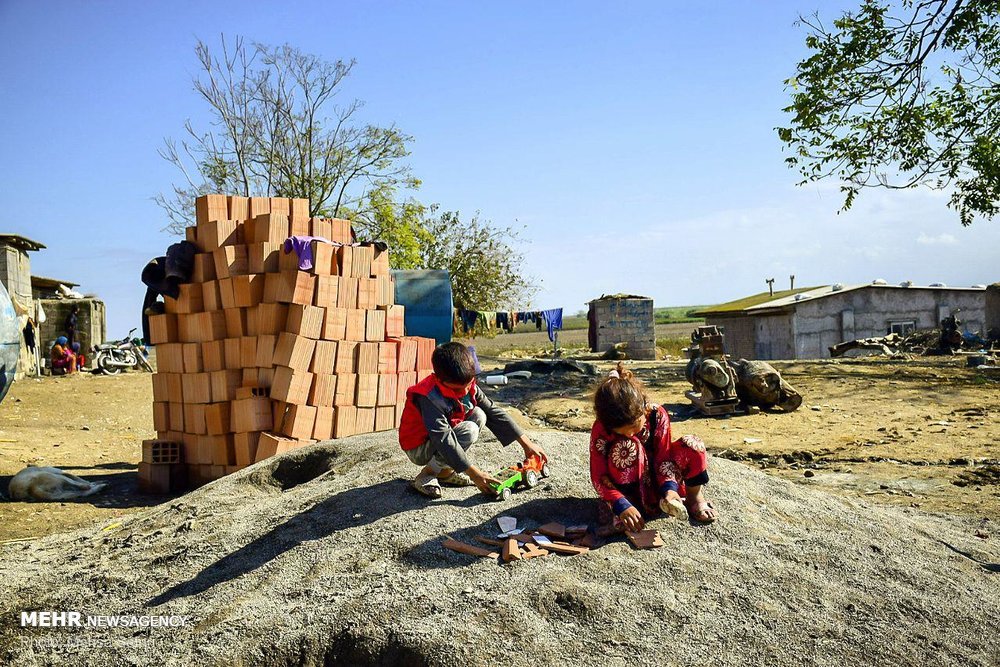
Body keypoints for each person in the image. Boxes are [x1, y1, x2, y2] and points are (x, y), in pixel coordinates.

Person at [399, 342, 547, 498]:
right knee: (469, 430)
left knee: (480, 414)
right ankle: (427, 474)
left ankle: (443, 472)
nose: (463, 392)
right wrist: (474, 474)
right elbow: (443, 439)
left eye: (468, 385)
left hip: (439, 437)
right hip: (419, 447)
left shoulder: (469, 385)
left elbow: (493, 411)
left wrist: (527, 444)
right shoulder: (429, 396)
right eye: (456, 389)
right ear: (438, 379)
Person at [590, 363, 718, 530]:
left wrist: (670, 489)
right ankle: (629, 508)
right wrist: (621, 504)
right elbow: (598, 476)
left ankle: (694, 498)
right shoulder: (601, 428)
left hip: (657, 480)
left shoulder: (657, 414)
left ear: (642, 410)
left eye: (634, 427)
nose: (630, 434)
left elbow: (663, 458)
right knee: (627, 447)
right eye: (622, 431)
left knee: (693, 445)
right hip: (627, 490)